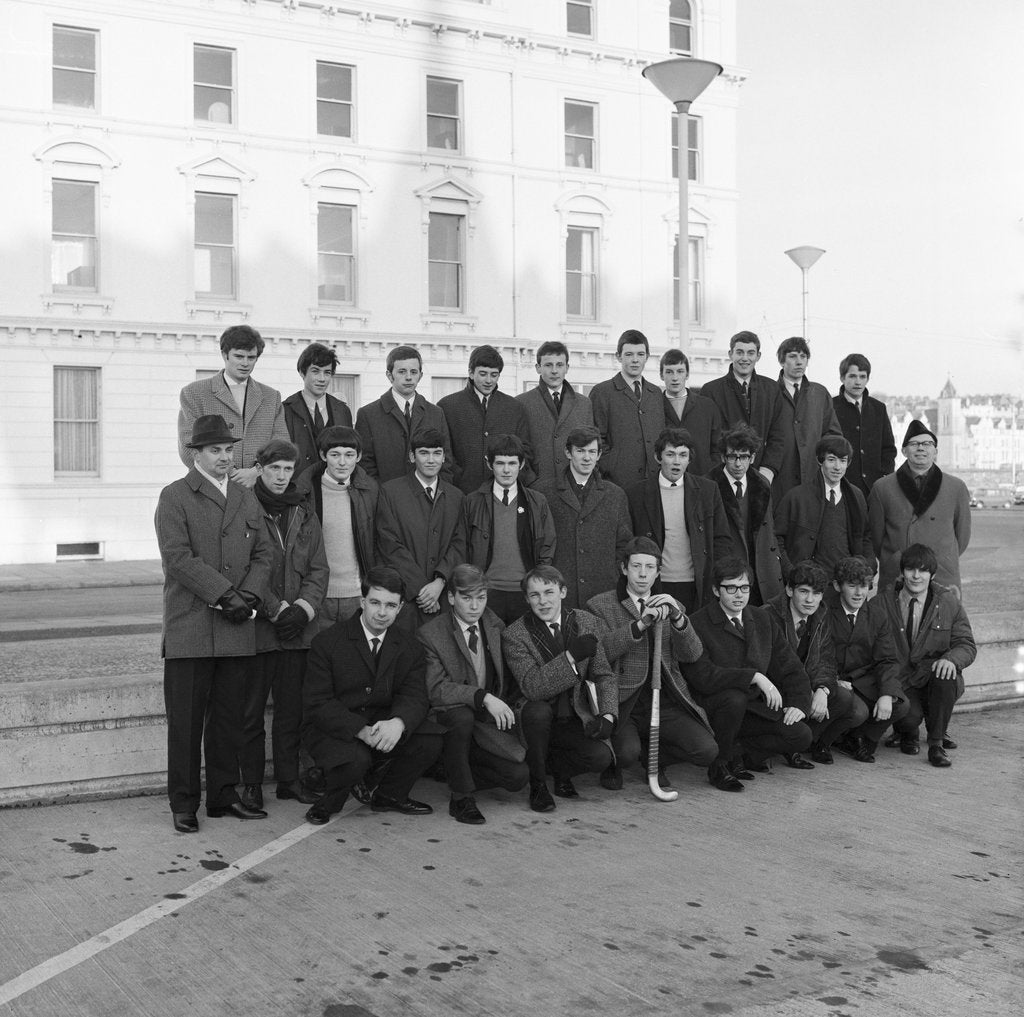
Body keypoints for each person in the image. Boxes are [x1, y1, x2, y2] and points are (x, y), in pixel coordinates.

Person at [155, 414, 274, 833]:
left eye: (228, 450)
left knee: (229, 720)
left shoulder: (245, 497)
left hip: (237, 626)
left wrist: (251, 597)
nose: (224, 457)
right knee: (185, 724)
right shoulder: (175, 496)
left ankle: (223, 796)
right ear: (196, 454)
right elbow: (178, 558)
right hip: (191, 628)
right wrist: (225, 595)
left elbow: (263, 553)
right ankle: (184, 803)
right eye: (214, 450)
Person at [302, 566, 444, 824]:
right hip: (337, 728)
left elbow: (415, 696)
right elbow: (318, 703)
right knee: (356, 759)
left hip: (382, 722)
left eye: (390, 605)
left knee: (431, 738)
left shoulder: (409, 645)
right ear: (362, 602)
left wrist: (398, 723)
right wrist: (360, 730)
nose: (381, 612)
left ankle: (390, 795)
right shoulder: (327, 642)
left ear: (400, 608)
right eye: (375, 602)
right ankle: (329, 802)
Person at [586, 537, 716, 791]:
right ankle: (618, 760)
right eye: (636, 566)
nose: (642, 574)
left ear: (658, 572)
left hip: (664, 697)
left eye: (650, 567)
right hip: (625, 698)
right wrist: (640, 624)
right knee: (626, 754)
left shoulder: (672, 604)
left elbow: (692, 654)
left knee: (706, 750)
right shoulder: (600, 605)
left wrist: (678, 619)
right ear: (624, 568)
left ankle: (654, 758)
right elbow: (601, 653)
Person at [239, 439, 328, 810]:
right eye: (273, 468)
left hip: (297, 631)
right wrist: (276, 610)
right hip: (261, 628)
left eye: (287, 469)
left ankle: (289, 781)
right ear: (260, 469)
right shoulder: (244, 507)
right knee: (252, 713)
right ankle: (252, 785)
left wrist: (304, 610)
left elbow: (320, 567)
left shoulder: (304, 510)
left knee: (292, 711)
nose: (280, 476)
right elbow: (245, 568)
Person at [685, 557, 813, 790]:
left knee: (801, 735)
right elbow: (703, 676)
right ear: (716, 590)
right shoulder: (697, 623)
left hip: (752, 710)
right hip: (716, 707)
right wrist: (753, 676)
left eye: (744, 588)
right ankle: (719, 765)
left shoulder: (762, 618)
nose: (739, 595)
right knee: (735, 698)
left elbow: (790, 666)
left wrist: (799, 704)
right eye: (730, 588)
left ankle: (741, 753)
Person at [418, 564, 530, 824]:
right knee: (461, 717)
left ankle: (452, 769)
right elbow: (436, 690)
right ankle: (461, 798)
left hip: (483, 725)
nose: (474, 606)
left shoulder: (495, 625)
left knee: (518, 777)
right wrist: (482, 697)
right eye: (466, 598)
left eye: (481, 598)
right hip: (449, 720)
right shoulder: (430, 634)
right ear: (450, 597)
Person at [502, 565, 618, 812]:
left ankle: (558, 770)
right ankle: (538, 785)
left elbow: (604, 675)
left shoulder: (586, 622)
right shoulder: (515, 634)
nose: (543, 601)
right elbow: (532, 687)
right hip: (535, 719)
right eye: (535, 595)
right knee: (538, 711)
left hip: (573, 715)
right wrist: (571, 657)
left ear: (563, 592)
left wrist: (608, 714)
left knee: (601, 756)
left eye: (549, 592)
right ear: (527, 599)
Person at [876, 544, 977, 768]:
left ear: (932, 574)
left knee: (946, 675)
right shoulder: (882, 603)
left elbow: (966, 644)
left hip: (933, 678)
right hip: (902, 682)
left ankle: (936, 744)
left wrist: (950, 659)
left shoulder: (948, 601)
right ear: (902, 572)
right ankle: (907, 730)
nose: (916, 576)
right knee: (909, 716)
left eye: (922, 571)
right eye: (910, 569)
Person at [763, 560, 860, 767]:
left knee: (843, 698)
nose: (810, 600)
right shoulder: (768, 615)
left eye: (816, 594)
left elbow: (826, 660)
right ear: (789, 590)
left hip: (803, 688)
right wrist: (804, 695)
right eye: (804, 591)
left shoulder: (820, 615)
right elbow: (768, 666)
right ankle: (783, 743)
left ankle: (798, 745)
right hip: (775, 692)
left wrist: (823, 690)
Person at [626, 426, 731, 612]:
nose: (677, 462)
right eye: (670, 454)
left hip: (696, 585)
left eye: (683, 455)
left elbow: (721, 539)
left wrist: (715, 578)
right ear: (658, 457)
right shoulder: (636, 494)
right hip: (654, 583)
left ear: (689, 459)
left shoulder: (708, 490)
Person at [533, 425, 632, 610]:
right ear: (568, 453)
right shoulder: (544, 493)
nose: (587, 458)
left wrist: (614, 575)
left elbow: (624, 545)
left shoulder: (615, 495)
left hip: (602, 591)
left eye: (592, 451)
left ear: (599, 455)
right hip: (559, 591)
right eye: (580, 451)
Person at [868, 419, 971, 595]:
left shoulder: (956, 487)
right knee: (894, 621)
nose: (921, 448)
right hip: (898, 574)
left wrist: (943, 558)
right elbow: (876, 537)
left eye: (927, 444)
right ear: (904, 451)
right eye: (914, 444)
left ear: (936, 451)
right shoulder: (882, 487)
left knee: (941, 621)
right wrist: (895, 558)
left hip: (942, 574)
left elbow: (962, 536)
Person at [376, 427, 466, 628]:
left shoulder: (456, 496)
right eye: (424, 453)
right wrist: (422, 589)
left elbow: (459, 544)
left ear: (444, 457)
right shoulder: (390, 492)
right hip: (406, 597)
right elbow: (389, 544)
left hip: (443, 597)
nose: (431, 460)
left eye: (437, 453)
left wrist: (439, 582)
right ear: (412, 456)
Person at [177, 325, 289, 488]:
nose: (245, 363)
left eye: (251, 358)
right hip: (210, 490)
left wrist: (256, 472)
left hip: (259, 492)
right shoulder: (194, 393)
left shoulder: (271, 397)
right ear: (224, 355)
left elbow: (281, 444)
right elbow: (188, 446)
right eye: (239, 356)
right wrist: (231, 473)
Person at [462, 434, 557, 624]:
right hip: (485, 592)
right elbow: (462, 546)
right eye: (500, 463)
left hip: (525, 592)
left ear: (521, 465)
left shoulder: (537, 501)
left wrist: (537, 586)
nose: (506, 470)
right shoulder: (472, 502)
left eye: (512, 463)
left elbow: (548, 544)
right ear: (490, 464)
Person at [294, 425, 379, 630]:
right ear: (323, 455)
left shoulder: (371, 491)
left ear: (358, 457)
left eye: (349, 454)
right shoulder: (303, 491)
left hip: (357, 595)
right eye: (335, 454)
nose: (342, 462)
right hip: (316, 597)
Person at [827, 556, 908, 764]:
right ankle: (833, 737)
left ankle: (857, 738)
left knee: (900, 704)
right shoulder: (824, 611)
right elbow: (817, 654)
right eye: (852, 586)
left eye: (864, 586)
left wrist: (887, 693)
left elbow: (888, 659)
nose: (859, 593)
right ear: (837, 586)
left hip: (864, 680)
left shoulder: (876, 614)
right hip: (836, 679)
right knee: (857, 711)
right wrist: (831, 679)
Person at [774, 435, 875, 584]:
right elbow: (776, 539)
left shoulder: (856, 496)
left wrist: (867, 566)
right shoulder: (796, 497)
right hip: (809, 585)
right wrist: (790, 571)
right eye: (831, 459)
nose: (837, 467)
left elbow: (866, 536)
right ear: (820, 460)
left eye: (843, 460)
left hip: (846, 584)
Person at [438, 344, 535, 493]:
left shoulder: (515, 407)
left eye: (494, 375)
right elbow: (444, 453)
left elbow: (526, 452)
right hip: (461, 493)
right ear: (471, 373)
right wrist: (456, 483)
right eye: (483, 374)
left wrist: (512, 484)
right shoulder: (448, 406)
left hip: (505, 494)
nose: (489, 380)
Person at [707, 424, 784, 606]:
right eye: (733, 456)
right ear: (723, 457)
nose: (738, 463)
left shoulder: (762, 483)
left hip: (761, 573)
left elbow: (769, 531)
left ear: (753, 457)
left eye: (744, 457)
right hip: (728, 576)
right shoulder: (709, 485)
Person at [354, 345, 454, 484]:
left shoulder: (436, 413)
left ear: (420, 375)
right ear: (390, 375)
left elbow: (446, 460)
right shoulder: (368, 414)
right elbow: (364, 464)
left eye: (414, 372)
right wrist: (381, 495)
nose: (408, 377)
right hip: (385, 499)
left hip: (428, 498)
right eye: (402, 371)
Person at [698, 330, 786, 486]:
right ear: (730, 354)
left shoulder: (772, 389)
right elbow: (708, 440)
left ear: (758, 356)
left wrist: (768, 470)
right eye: (739, 352)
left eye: (750, 353)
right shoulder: (710, 391)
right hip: (723, 477)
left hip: (762, 475)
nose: (745, 358)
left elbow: (778, 436)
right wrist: (721, 472)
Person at [589, 329, 666, 489]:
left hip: (653, 482)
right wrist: (611, 467)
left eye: (640, 354)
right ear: (619, 356)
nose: (635, 360)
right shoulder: (602, 392)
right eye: (629, 354)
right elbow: (595, 439)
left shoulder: (656, 393)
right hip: (616, 483)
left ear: (647, 357)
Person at [772, 337, 843, 506]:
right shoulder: (770, 392)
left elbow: (832, 435)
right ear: (782, 361)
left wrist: (824, 464)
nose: (799, 362)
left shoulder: (819, 393)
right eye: (793, 356)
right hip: (780, 480)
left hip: (814, 478)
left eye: (803, 357)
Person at [515, 340, 594, 486]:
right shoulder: (522, 403)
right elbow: (519, 449)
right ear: (538, 368)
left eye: (559, 365)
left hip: (575, 486)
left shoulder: (584, 404)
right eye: (548, 365)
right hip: (538, 488)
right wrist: (532, 481)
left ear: (567, 367)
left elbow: (591, 447)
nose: (554, 371)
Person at [282, 342, 353, 477]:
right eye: (315, 371)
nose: (322, 379)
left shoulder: (343, 410)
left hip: (335, 486)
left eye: (327, 373)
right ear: (302, 373)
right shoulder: (285, 409)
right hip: (297, 487)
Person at [831, 353, 897, 497]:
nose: (858, 382)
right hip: (842, 487)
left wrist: (885, 478)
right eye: (852, 376)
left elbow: (888, 449)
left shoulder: (878, 408)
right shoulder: (831, 407)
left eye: (862, 376)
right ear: (842, 378)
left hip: (874, 488)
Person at [660, 348, 722, 476]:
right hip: (665, 480)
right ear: (662, 375)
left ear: (687, 375)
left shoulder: (707, 406)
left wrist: (711, 474)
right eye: (669, 372)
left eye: (680, 371)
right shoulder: (654, 406)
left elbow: (717, 447)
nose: (675, 378)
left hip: (702, 479)